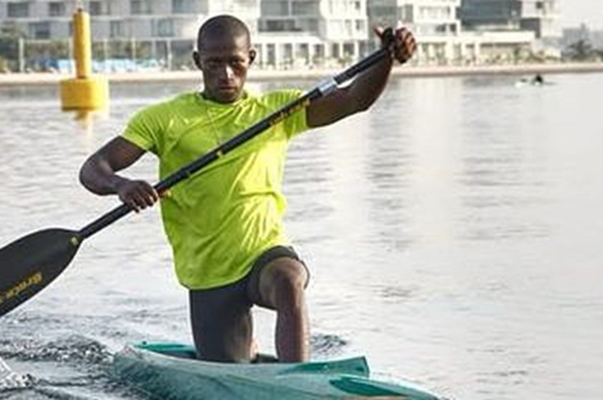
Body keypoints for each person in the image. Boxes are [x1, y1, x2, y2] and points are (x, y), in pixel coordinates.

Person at [79, 15, 416, 363]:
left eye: (235, 63)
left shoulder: (279, 110)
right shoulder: (164, 119)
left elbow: (353, 100)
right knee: (229, 362)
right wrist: (121, 185)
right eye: (214, 64)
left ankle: (295, 380)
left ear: (251, 59)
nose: (226, 74)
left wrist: (387, 57)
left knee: (289, 280)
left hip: (264, 254)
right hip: (208, 272)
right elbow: (93, 169)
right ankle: (248, 351)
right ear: (198, 62)